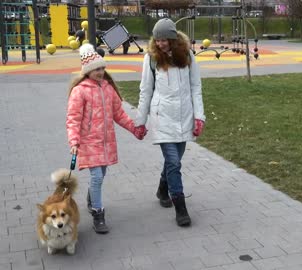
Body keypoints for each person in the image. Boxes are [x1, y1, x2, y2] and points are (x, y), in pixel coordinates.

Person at [66, 43, 147, 234]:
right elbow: (73, 118)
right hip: (88, 142)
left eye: (102, 68)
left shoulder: (108, 89)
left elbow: (119, 114)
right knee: (96, 177)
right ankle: (98, 213)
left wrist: (134, 129)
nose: (100, 72)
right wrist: (74, 141)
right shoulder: (80, 91)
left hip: (106, 142)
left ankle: (90, 198)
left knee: (101, 175)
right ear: (87, 71)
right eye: (96, 69)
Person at [136, 18, 206, 227]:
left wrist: (199, 116)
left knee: (173, 162)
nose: (160, 44)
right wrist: (140, 121)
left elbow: (196, 88)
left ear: (173, 38)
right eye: (157, 40)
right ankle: (181, 208)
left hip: (184, 116)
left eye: (164, 40)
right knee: (174, 163)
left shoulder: (187, 55)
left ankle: (162, 188)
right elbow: (145, 90)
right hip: (162, 116)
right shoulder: (151, 58)